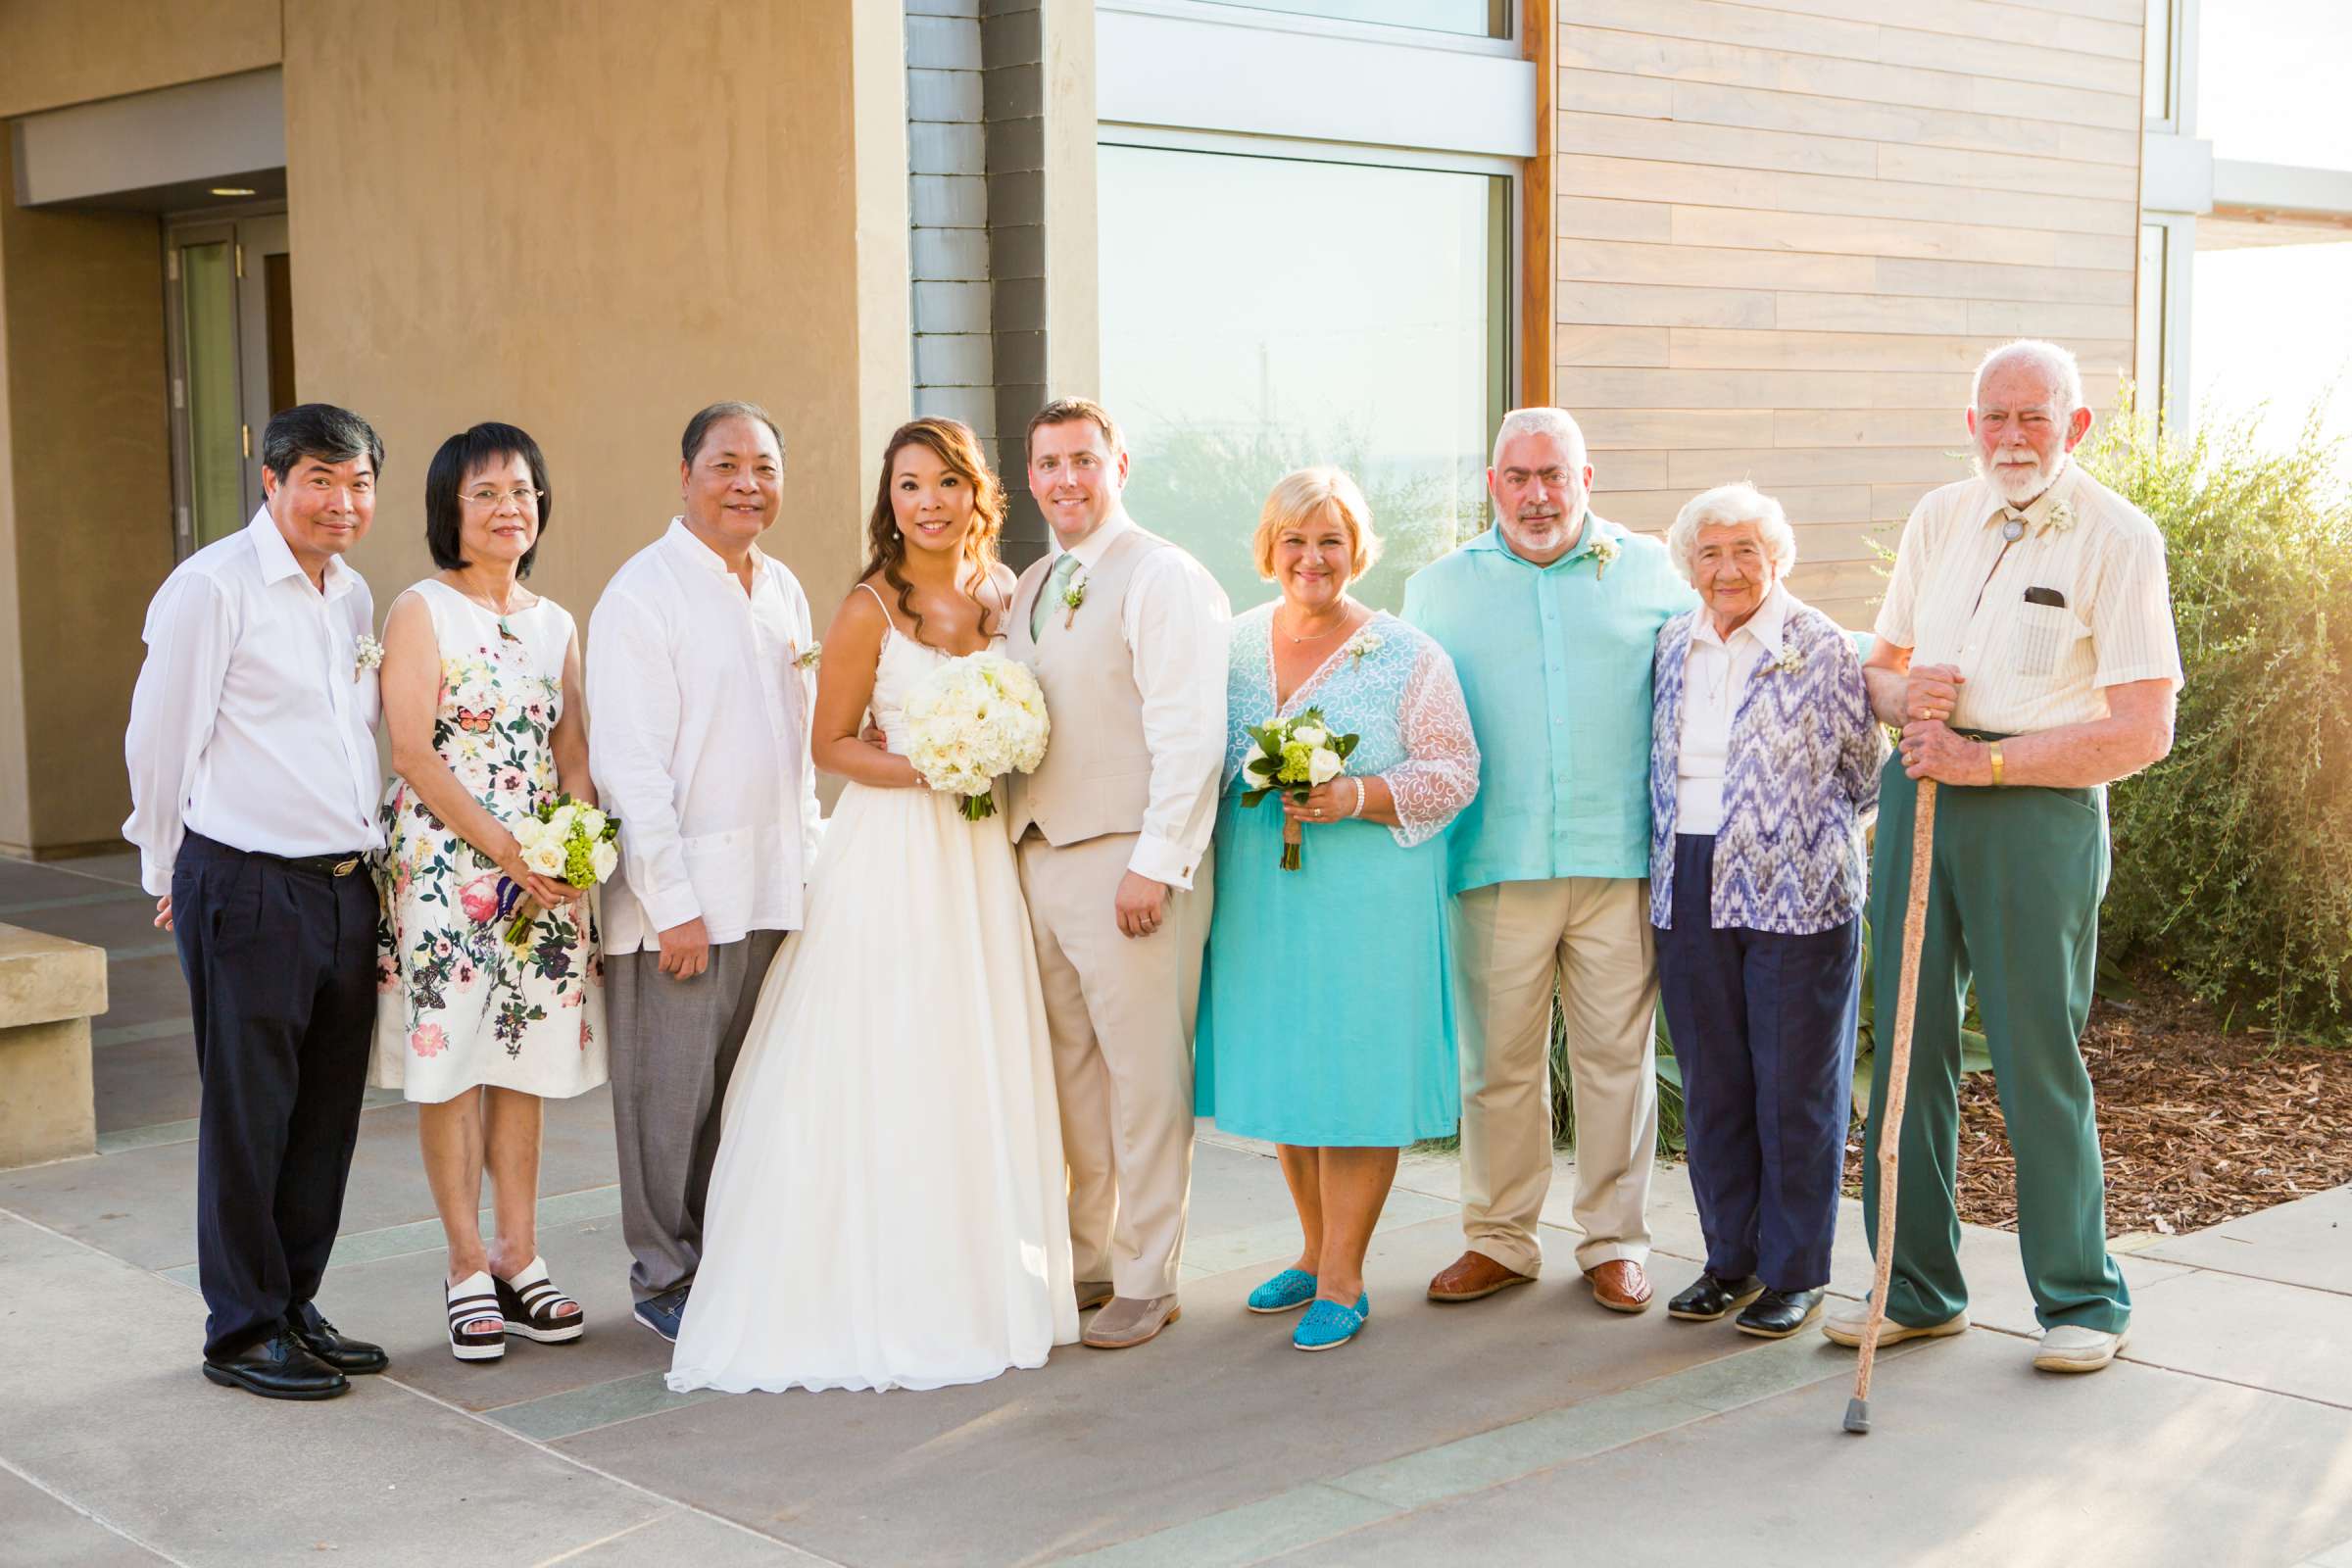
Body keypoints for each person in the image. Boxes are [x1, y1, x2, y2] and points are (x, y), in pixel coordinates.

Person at [667, 416, 1078, 1393]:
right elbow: (832, 742)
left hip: (982, 859)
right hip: (896, 851)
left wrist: (992, 752)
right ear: (887, 500)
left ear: (979, 493)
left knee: (971, 1052)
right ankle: (878, 1285)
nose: (927, 501)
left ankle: (980, 1272)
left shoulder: (1008, 595)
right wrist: (932, 763)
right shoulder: (867, 607)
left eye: (944, 482)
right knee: (891, 1050)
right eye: (907, 485)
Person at [1832, 339, 2180, 1375]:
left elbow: (2141, 729)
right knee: (1904, 1045)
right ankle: (1915, 1285)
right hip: (1921, 791)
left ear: (2074, 427)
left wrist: (1987, 766)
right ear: (1970, 424)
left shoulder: (2120, 538)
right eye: (1996, 416)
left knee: (2036, 1054)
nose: (2013, 436)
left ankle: (2081, 1299)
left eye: (2036, 417)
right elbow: (1880, 673)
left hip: (2035, 811)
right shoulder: (1941, 517)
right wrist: (1906, 699)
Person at [122, 403, 393, 1399]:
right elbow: (160, 740)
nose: (341, 499)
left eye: (359, 481)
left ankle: (291, 1301)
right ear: (272, 484)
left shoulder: (353, 595)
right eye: (320, 478)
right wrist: (166, 869)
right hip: (246, 880)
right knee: (249, 1111)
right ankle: (240, 1328)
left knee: (324, 1113)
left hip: (341, 884)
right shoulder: (213, 588)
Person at [1403, 407, 1696, 1314]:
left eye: (1553, 476)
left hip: (1618, 863)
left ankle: (1614, 1241)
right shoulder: (1438, 590)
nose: (1537, 496)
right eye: (1518, 478)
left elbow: (1729, 658)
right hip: (1493, 861)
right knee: (1499, 1066)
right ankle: (1499, 1237)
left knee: (1619, 1061)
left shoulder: (1654, 571)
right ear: (1493, 485)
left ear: (1586, 479)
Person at [1197, 468, 1479, 1351]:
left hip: (1368, 903)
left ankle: (1348, 1279)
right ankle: (1314, 1252)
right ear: (1268, 551)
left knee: (1355, 1075)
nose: (1312, 558)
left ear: (1357, 550)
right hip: (1262, 896)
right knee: (1290, 1074)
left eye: (1330, 541)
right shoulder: (1231, 645)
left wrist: (1354, 792)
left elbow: (1454, 770)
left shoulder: (1407, 653)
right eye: (1295, 541)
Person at [586, 402, 823, 1342]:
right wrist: (669, 904)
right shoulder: (642, 594)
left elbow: (797, 749)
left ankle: (725, 1259)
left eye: (764, 467)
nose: (746, 485)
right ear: (684, 476)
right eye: (726, 465)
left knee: (741, 1091)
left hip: (773, 884)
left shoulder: (784, 590)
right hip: (682, 900)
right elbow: (629, 764)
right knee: (666, 1097)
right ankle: (662, 1275)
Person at [372, 422, 608, 1361]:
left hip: (540, 880)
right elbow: (411, 752)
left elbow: (574, 753)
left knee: (524, 1062)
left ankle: (520, 1251)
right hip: (448, 869)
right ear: (450, 512)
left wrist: (571, 849)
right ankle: (465, 1263)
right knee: (453, 1063)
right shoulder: (421, 609)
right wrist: (510, 850)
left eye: (523, 490)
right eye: (486, 494)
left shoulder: (557, 623)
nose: (510, 507)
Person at [1004, 398, 1230, 1350]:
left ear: (1119, 464)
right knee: (1072, 1078)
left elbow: (1189, 728)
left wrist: (1158, 860)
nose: (1066, 479)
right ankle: (1086, 1259)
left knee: (1144, 1074)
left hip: (1129, 865)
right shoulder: (1030, 585)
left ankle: (1148, 1273)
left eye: (1083, 460)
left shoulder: (1164, 574)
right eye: (1049, 463)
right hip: (1039, 857)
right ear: (1030, 476)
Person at [1646, 482, 1883, 1340]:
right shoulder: (1673, 643)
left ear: (1776, 558)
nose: (1729, 568)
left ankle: (1794, 1273)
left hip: (1798, 885)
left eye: (1746, 550)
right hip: (1688, 876)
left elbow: (1866, 768)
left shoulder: (1817, 644)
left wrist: (1788, 829)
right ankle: (1728, 1261)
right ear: (1689, 565)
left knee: (1794, 1091)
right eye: (1710, 552)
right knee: (1715, 1084)